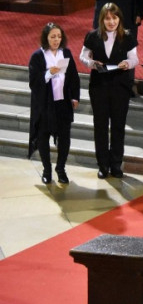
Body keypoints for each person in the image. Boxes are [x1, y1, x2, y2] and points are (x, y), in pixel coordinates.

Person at [80, 3, 139, 179]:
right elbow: (83, 56)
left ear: (119, 18)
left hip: (120, 87)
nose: (111, 22)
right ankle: (103, 165)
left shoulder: (127, 36)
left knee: (118, 126)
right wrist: (91, 63)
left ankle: (116, 164)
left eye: (114, 18)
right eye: (107, 18)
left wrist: (127, 63)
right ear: (102, 20)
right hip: (99, 86)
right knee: (100, 126)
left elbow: (134, 58)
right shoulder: (93, 36)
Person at [28, 23, 80, 185]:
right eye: (53, 37)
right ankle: (47, 170)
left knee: (64, 139)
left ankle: (61, 169)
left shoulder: (66, 53)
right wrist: (48, 73)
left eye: (59, 36)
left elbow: (73, 77)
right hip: (45, 104)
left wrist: (75, 97)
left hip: (63, 103)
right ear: (46, 38)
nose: (56, 40)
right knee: (43, 138)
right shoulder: (38, 56)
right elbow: (33, 82)